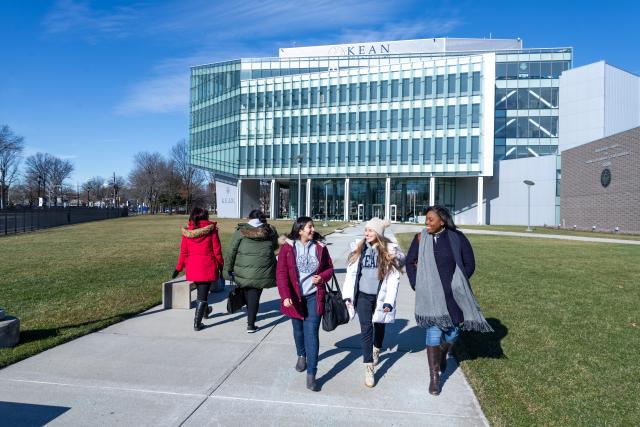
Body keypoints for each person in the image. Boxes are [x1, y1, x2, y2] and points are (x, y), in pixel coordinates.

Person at [406, 205, 493, 395]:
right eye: (426, 219)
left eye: (430, 219)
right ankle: (435, 378)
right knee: (433, 334)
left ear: (442, 221)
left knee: (453, 333)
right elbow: (409, 261)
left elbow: (470, 263)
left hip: (453, 296)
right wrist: (416, 283)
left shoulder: (457, 238)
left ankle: (444, 351)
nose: (426, 223)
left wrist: (458, 282)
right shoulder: (420, 238)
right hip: (429, 296)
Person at [342, 218, 405, 388]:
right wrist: (348, 296)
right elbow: (351, 275)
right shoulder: (359, 249)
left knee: (379, 325)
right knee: (366, 329)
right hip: (362, 296)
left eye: (370, 230)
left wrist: (389, 302)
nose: (367, 233)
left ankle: (376, 348)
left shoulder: (388, 251)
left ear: (378, 233)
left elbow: (393, 279)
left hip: (380, 297)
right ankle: (368, 367)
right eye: (366, 230)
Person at [276, 217, 334, 391]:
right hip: (294, 298)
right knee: (298, 330)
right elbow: (281, 274)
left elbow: (329, 269)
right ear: (300, 230)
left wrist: (322, 277)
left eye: (312, 226)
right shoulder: (287, 248)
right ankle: (301, 355)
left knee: (312, 334)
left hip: (314, 297)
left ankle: (311, 374)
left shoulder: (320, 248)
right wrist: (285, 296)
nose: (312, 229)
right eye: (309, 227)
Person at [223, 209, 278, 333]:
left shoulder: (240, 231)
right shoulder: (270, 231)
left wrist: (227, 270)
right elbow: (275, 246)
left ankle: (251, 322)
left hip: (243, 269)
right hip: (262, 269)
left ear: (249, 218)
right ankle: (251, 323)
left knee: (249, 292)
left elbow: (231, 251)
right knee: (254, 294)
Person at [173, 207, 224, 331]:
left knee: (202, 293)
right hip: (207, 266)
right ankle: (197, 323)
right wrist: (221, 265)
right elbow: (217, 250)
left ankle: (206, 311)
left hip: (192, 268)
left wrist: (178, 268)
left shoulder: (187, 232)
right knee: (202, 295)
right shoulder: (211, 231)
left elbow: (183, 252)